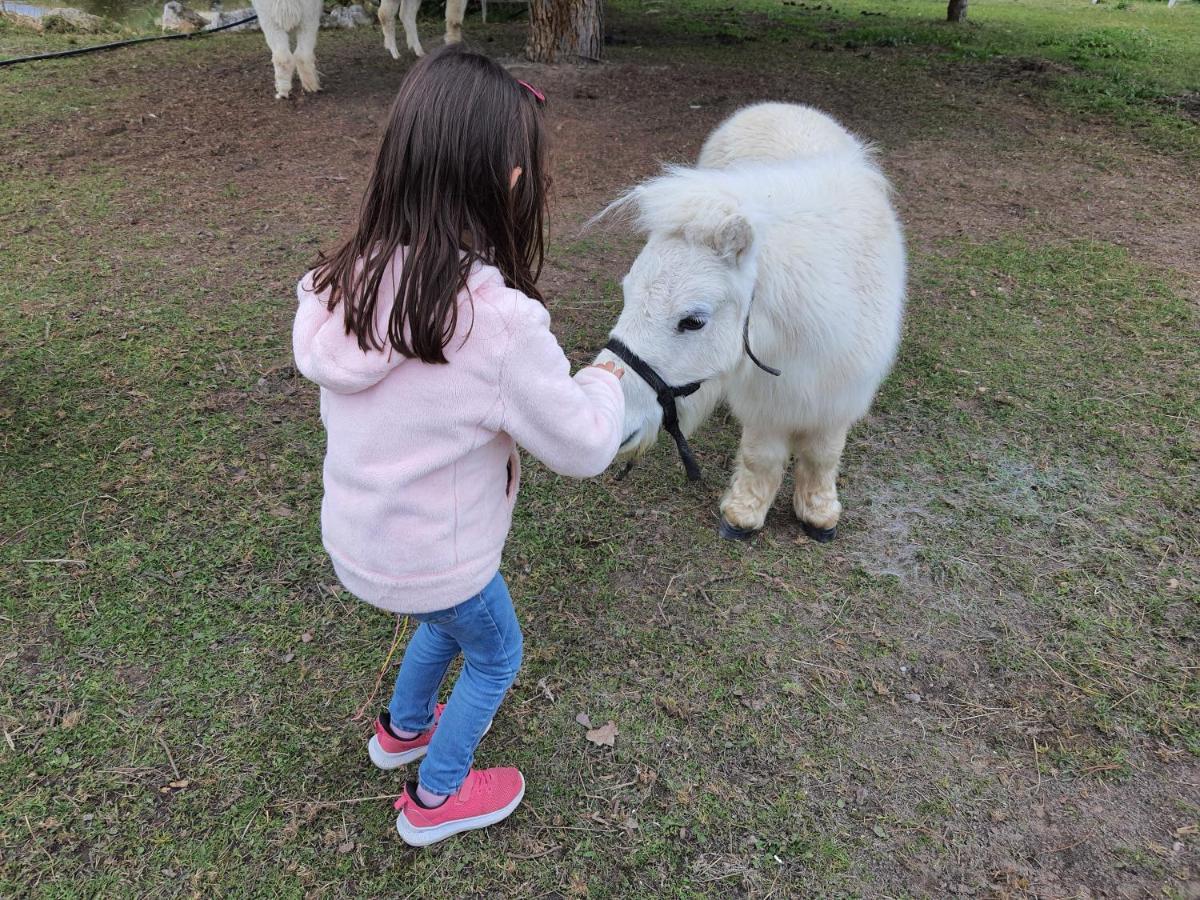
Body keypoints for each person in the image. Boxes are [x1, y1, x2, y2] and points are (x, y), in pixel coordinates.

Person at [292, 45, 625, 846]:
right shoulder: (495, 322)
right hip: (436, 557)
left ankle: (403, 728)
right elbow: (583, 446)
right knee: (495, 651)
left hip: (363, 544)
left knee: (449, 619)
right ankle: (436, 799)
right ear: (511, 180)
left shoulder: (342, 281)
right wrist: (607, 376)